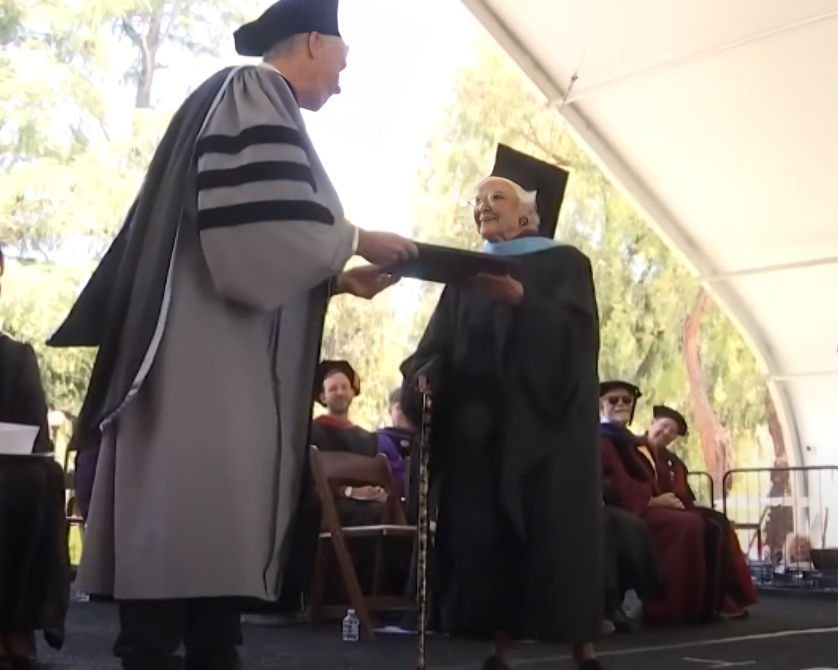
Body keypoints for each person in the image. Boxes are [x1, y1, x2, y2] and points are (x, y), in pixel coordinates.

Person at [46, 1, 417, 668]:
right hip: (199, 376)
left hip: (209, 360)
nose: (342, 79)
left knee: (200, 549)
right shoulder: (252, 91)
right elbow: (255, 234)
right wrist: (355, 239)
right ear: (312, 40)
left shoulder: (240, 100)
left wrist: (338, 280)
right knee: (180, 542)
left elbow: (241, 242)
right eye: (342, 60)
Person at [400, 145, 604, 670]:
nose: (482, 207)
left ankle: (583, 648)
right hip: (483, 437)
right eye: (477, 200)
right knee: (489, 542)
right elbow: (434, 347)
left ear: (528, 214)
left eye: (496, 197)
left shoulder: (566, 264)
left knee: (554, 538)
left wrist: (523, 304)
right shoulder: (467, 273)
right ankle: (500, 651)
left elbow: (578, 345)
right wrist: (424, 377)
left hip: (548, 436)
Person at [0, 245, 70, 668]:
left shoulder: (15, 358)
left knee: (38, 480)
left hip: (10, 473)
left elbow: (34, 438)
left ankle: (15, 625)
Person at [645, 405, 756, 616]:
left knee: (719, 524)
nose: (666, 433)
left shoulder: (673, 462)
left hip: (677, 508)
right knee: (703, 526)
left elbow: (684, 494)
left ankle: (722, 596)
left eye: (672, 432)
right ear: (653, 423)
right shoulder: (634, 450)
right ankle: (705, 600)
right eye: (664, 426)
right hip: (649, 509)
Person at [597, 381, 662, 633]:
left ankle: (661, 601)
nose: (621, 404)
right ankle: (610, 605)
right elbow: (614, 480)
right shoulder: (598, 438)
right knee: (617, 527)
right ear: (601, 405)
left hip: (617, 504)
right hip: (602, 503)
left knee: (708, 523)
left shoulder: (633, 442)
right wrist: (648, 499)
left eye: (626, 400)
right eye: (614, 400)